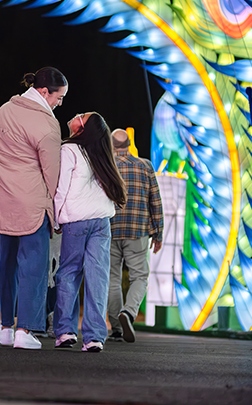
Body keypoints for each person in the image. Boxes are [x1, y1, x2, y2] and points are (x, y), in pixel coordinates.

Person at [0, 67, 67, 350]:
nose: (59, 103)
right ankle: (25, 330)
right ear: (44, 92)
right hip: (30, 204)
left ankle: (6, 326)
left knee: (6, 265)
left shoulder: (3, 111)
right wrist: (54, 210)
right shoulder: (47, 123)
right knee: (33, 267)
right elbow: (51, 174)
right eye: (59, 97)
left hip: (0, 200)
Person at [53, 113, 127, 352]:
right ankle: (94, 337)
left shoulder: (70, 150)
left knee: (68, 274)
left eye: (79, 116)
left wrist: (55, 218)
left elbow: (61, 188)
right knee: (98, 277)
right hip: (102, 221)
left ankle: (65, 332)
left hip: (76, 220)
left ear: (82, 128)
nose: (74, 116)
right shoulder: (102, 153)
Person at [107, 129, 163, 343]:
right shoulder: (145, 165)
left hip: (110, 229)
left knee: (112, 279)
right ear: (129, 145)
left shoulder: (106, 166)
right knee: (139, 277)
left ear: (112, 146)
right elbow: (155, 200)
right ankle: (128, 313)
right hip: (137, 231)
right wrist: (158, 232)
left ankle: (116, 329)